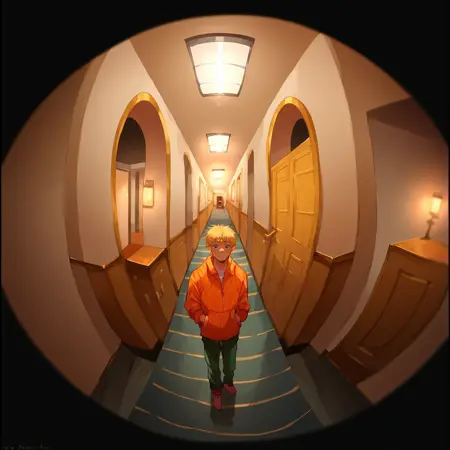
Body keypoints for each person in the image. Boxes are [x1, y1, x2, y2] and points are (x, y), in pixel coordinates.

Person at [184, 225, 250, 411]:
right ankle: (216, 390)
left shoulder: (240, 275)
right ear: (209, 247)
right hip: (209, 331)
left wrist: (239, 317)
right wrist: (202, 319)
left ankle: (228, 382)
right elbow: (192, 304)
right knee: (213, 365)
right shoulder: (198, 276)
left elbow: (243, 302)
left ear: (233, 248)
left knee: (230, 363)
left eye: (226, 246)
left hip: (231, 329)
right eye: (216, 246)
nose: (221, 250)